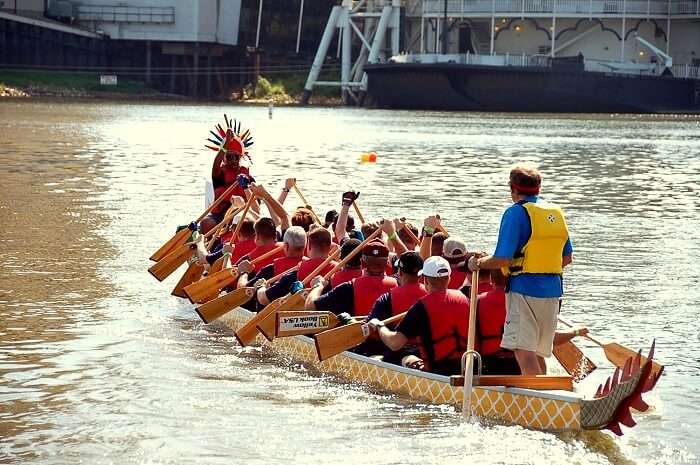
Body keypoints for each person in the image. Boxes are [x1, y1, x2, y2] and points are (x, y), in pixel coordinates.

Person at [468, 163, 572, 375]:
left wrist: (478, 264)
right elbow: (567, 258)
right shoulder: (556, 213)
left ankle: (539, 403)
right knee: (538, 352)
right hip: (553, 292)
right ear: (539, 188)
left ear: (512, 188)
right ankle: (550, 395)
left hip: (524, 290)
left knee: (523, 352)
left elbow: (502, 259)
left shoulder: (515, 213)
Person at [368, 256, 472, 376]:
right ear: (449, 278)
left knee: (400, 355)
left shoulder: (421, 307)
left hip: (436, 374)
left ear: (425, 280)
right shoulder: (465, 299)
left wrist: (380, 326)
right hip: (466, 370)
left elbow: (395, 343)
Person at [305, 240, 398, 318]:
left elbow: (310, 308)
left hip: (356, 338)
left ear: (362, 263)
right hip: (387, 338)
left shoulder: (347, 288)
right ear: (387, 264)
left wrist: (318, 286)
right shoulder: (398, 285)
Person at [366, 251, 427, 366]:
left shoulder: (386, 298)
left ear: (399, 272)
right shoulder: (430, 296)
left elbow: (369, 327)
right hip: (428, 352)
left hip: (397, 353)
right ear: (421, 274)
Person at [255, 228, 336, 307]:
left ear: (309, 246)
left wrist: (261, 286)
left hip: (299, 316)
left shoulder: (297, 272)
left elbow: (264, 299)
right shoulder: (337, 270)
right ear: (329, 247)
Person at [200, 127, 254, 235]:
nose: (233, 160)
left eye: (236, 157)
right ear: (224, 157)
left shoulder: (247, 176)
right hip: (221, 213)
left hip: (240, 211)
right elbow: (216, 164)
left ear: (241, 157)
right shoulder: (219, 173)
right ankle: (210, 245)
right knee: (205, 222)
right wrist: (225, 145)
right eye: (229, 157)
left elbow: (255, 200)